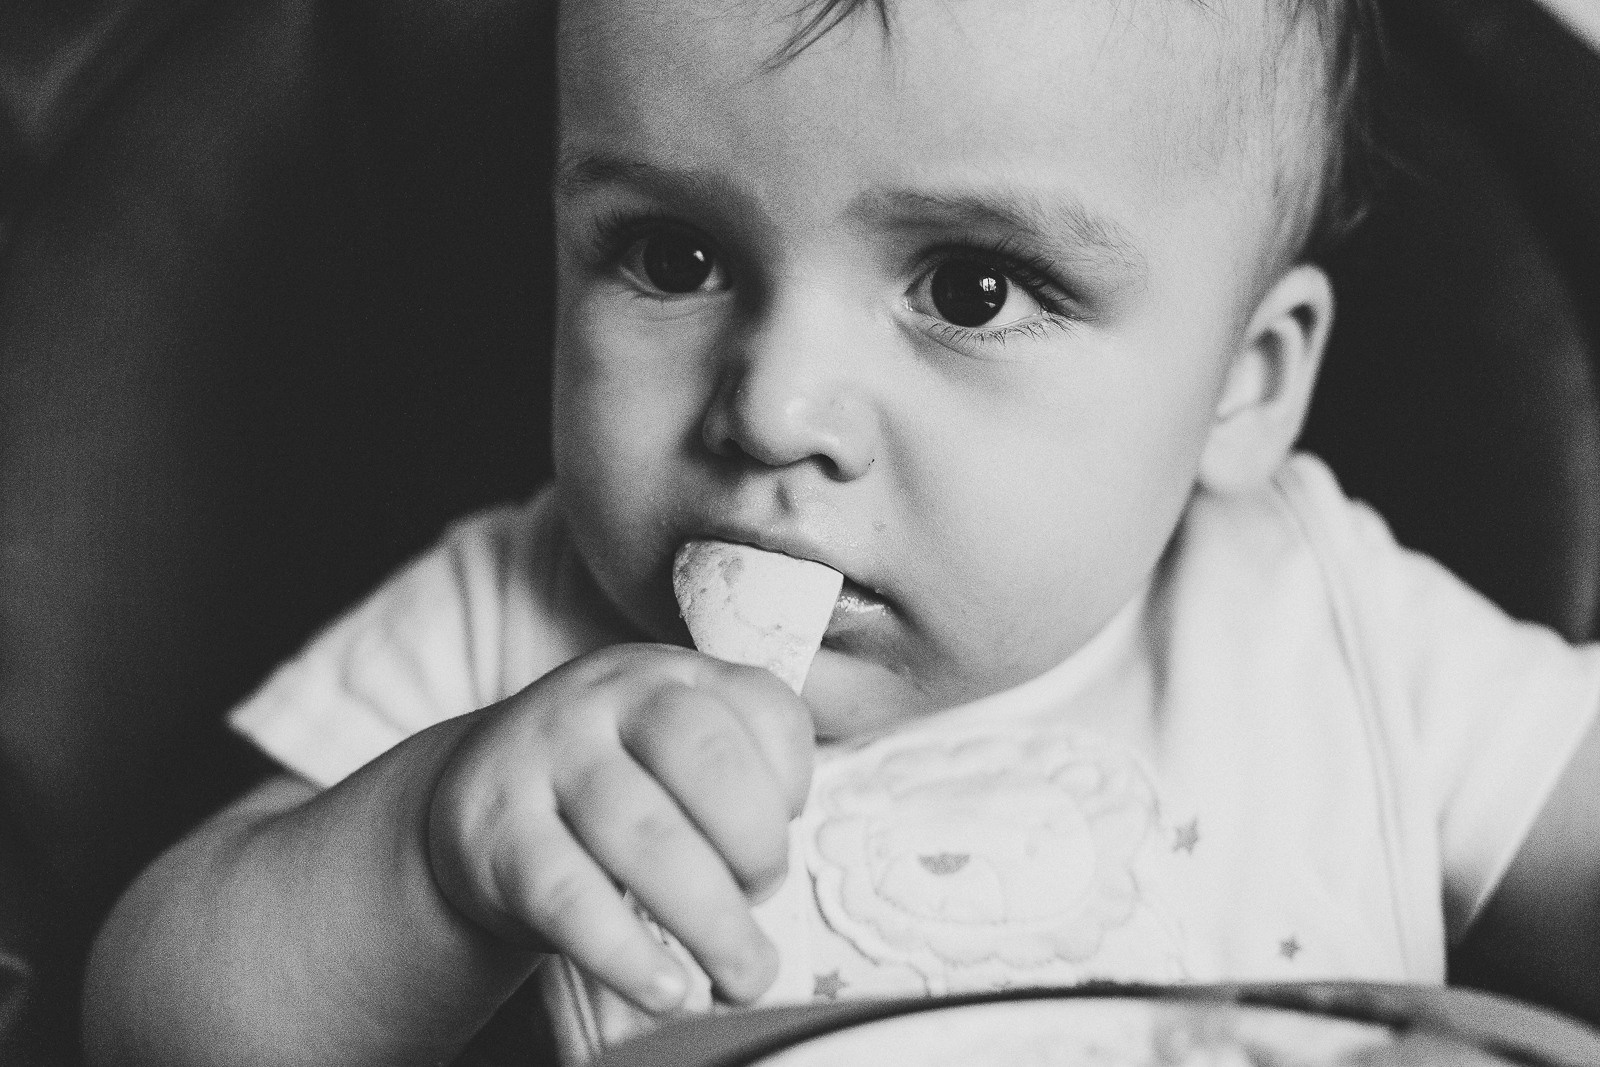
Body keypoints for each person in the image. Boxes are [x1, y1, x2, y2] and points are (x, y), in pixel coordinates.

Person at [80, 0, 1600, 1060]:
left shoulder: (1325, 624)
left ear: (1239, 390)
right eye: (670, 254)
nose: (776, 403)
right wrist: (428, 854)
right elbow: (154, 1028)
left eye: (972, 289)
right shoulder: (516, 636)